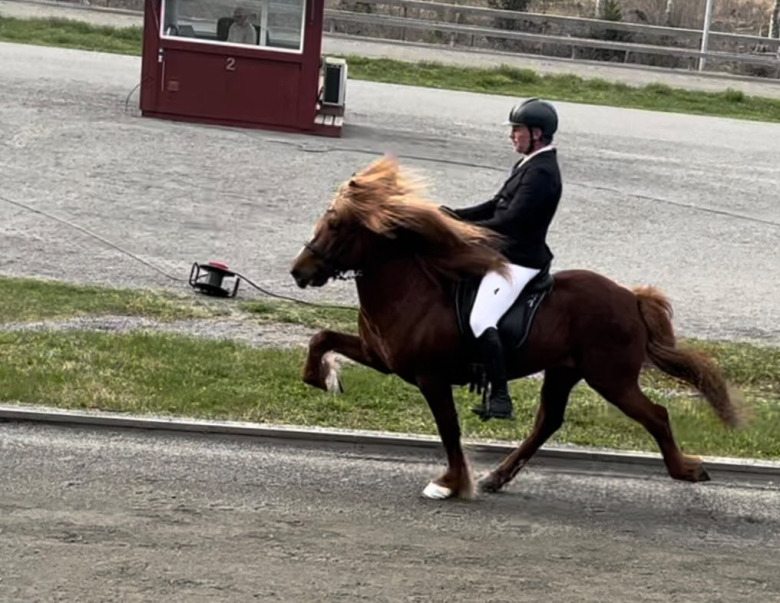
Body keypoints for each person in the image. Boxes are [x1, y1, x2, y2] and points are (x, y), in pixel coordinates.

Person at [442, 98, 563, 421]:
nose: (512, 135)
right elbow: (496, 204)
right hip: (504, 251)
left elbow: (510, 221)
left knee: (482, 319)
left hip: (519, 261)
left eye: (517, 130)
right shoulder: (528, 164)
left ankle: (500, 396)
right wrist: (452, 215)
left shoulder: (542, 173)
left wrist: (463, 230)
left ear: (537, 133)